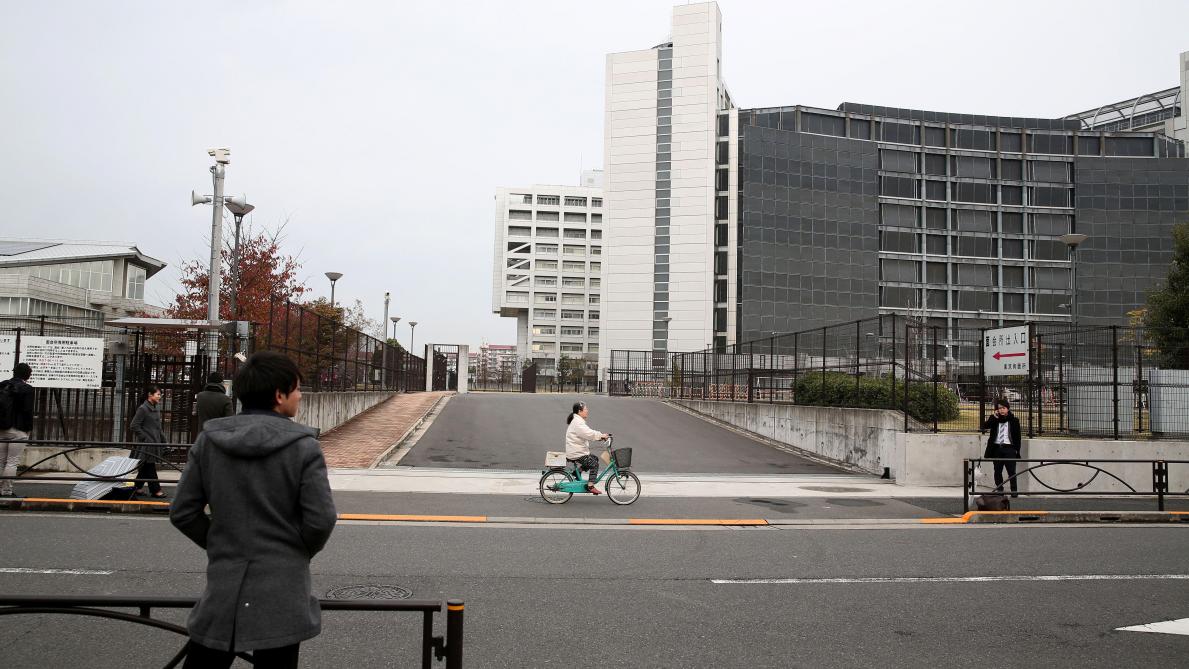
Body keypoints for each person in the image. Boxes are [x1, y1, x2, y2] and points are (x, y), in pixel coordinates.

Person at [170, 351, 336, 669]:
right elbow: (321, 519)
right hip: (282, 591)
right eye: (297, 389)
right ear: (279, 395)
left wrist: (221, 540)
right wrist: (294, 551)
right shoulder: (303, 447)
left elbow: (183, 512)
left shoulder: (209, 441)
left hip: (224, 588)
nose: (300, 396)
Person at [0, 363, 36, 497]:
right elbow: (27, 410)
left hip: (2, 428)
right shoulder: (27, 389)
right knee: (12, 461)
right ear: (27, 375)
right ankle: (6, 492)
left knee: (1, 461)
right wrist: (28, 429)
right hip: (18, 429)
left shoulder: (3, 385)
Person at [564, 401, 609, 495]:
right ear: (580, 411)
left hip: (577, 450)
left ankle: (578, 472)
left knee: (594, 458)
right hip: (577, 452)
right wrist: (601, 436)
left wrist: (600, 436)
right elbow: (588, 433)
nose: (587, 411)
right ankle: (590, 486)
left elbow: (588, 433)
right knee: (594, 464)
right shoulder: (578, 423)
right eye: (585, 409)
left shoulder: (578, 421)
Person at [130, 385, 167, 498]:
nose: (159, 397)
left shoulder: (155, 408)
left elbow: (158, 428)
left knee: (145, 467)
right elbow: (134, 425)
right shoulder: (143, 409)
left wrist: (164, 441)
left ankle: (137, 488)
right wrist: (145, 437)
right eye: (158, 394)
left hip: (154, 442)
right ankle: (156, 490)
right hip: (147, 444)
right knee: (150, 466)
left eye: (160, 395)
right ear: (150, 395)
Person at [982, 399, 1022, 498]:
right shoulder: (994, 419)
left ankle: (1014, 490)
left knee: (1011, 470)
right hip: (997, 448)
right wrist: (994, 417)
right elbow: (984, 426)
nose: (1001, 410)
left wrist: (1016, 449)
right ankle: (1000, 490)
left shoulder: (1014, 420)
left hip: (1009, 449)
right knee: (997, 470)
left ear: (1007, 409)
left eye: (1003, 408)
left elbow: (1018, 437)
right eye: (999, 408)